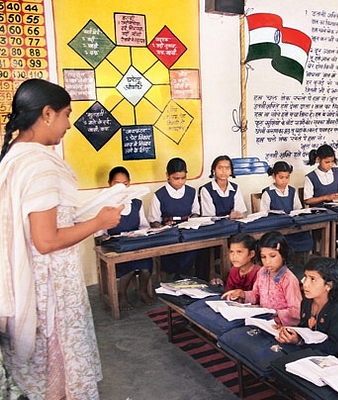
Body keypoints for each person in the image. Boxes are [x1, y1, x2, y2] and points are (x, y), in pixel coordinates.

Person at [0, 79, 123, 399]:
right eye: (67, 114)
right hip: (49, 289)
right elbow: (46, 241)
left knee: (41, 375)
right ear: (47, 114)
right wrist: (100, 220)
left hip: (28, 278)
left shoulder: (15, 155)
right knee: (60, 374)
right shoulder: (39, 164)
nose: (69, 124)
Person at [95, 166, 154, 311]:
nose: (122, 187)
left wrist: (138, 234)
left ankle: (142, 291)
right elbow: (99, 234)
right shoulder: (104, 204)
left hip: (133, 243)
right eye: (117, 184)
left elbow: (143, 226)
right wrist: (108, 239)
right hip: (115, 247)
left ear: (130, 184)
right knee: (128, 266)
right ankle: (121, 295)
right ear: (110, 184)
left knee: (146, 265)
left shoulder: (136, 203)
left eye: (125, 183)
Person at [222, 231, 302, 326]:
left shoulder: (288, 280)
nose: (267, 261)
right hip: (263, 320)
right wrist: (242, 294)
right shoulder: (262, 273)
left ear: (283, 255)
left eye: (272, 256)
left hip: (281, 326)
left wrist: (276, 313)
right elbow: (256, 295)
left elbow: (296, 311)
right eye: (263, 257)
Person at [276, 257, 338, 355]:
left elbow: (332, 347)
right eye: (305, 277)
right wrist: (289, 332)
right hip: (307, 354)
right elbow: (303, 329)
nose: (305, 284)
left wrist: (299, 342)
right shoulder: (307, 301)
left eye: (313, 279)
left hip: (330, 361)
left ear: (329, 285)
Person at [148, 157, 200, 279]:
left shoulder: (191, 192)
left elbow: (196, 213)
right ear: (167, 176)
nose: (180, 182)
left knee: (194, 248)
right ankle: (175, 277)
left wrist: (192, 220)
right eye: (176, 178)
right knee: (170, 252)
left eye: (183, 178)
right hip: (168, 235)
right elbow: (153, 220)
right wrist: (162, 227)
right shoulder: (159, 195)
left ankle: (184, 277)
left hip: (187, 233)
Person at [260, 161, 313, 253]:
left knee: (305, 235)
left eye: (287, 177)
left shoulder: (292, 191)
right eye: (281, 177)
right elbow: (263, 214)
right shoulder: (268, 193)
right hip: (276, 229)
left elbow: (298, 209)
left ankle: (298, 263)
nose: (284, 180)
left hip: (291, 227)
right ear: (274, 176)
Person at [200, 155, 247, 219]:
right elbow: (209, 217)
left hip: (232, 224)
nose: (224, 171)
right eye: (220, 168)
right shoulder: (206, 190)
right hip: (215, 227)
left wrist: (237, 215)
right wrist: (229, 217)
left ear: (231, 171)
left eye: (227, 168)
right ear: (214, 170)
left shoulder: (235, 188)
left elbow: (239, 212)